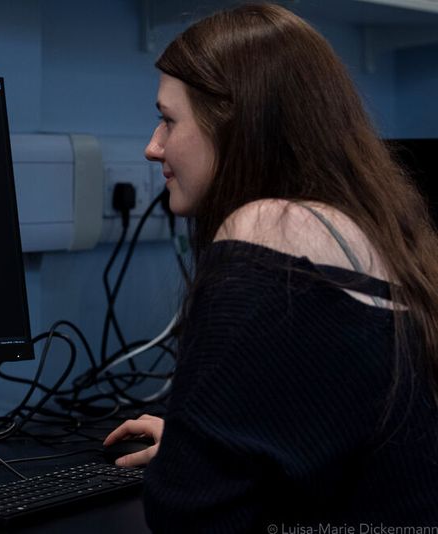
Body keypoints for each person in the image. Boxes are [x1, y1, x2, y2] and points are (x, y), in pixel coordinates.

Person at [104, 3, 438, 531]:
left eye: (169, 120)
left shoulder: (268, 228)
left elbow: (188, 515)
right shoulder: (375, 233)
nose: (153, 146)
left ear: (236, 122)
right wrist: (196, 442)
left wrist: (187, 467)